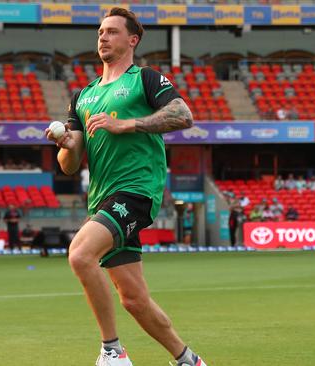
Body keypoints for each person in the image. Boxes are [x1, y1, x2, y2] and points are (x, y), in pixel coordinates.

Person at [45, 8, 206, 366]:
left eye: (112, 32)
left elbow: (184, 115)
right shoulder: (81, 97)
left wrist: (127, 124)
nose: (103, 37)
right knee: (134, 299)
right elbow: (70, 166)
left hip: (136, 191)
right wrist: (67, 147)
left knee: (80, 253)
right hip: (103, 198)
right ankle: (189, 360)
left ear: (132, 40)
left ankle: (112, 351)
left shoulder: (145, 79)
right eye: (101, 31)